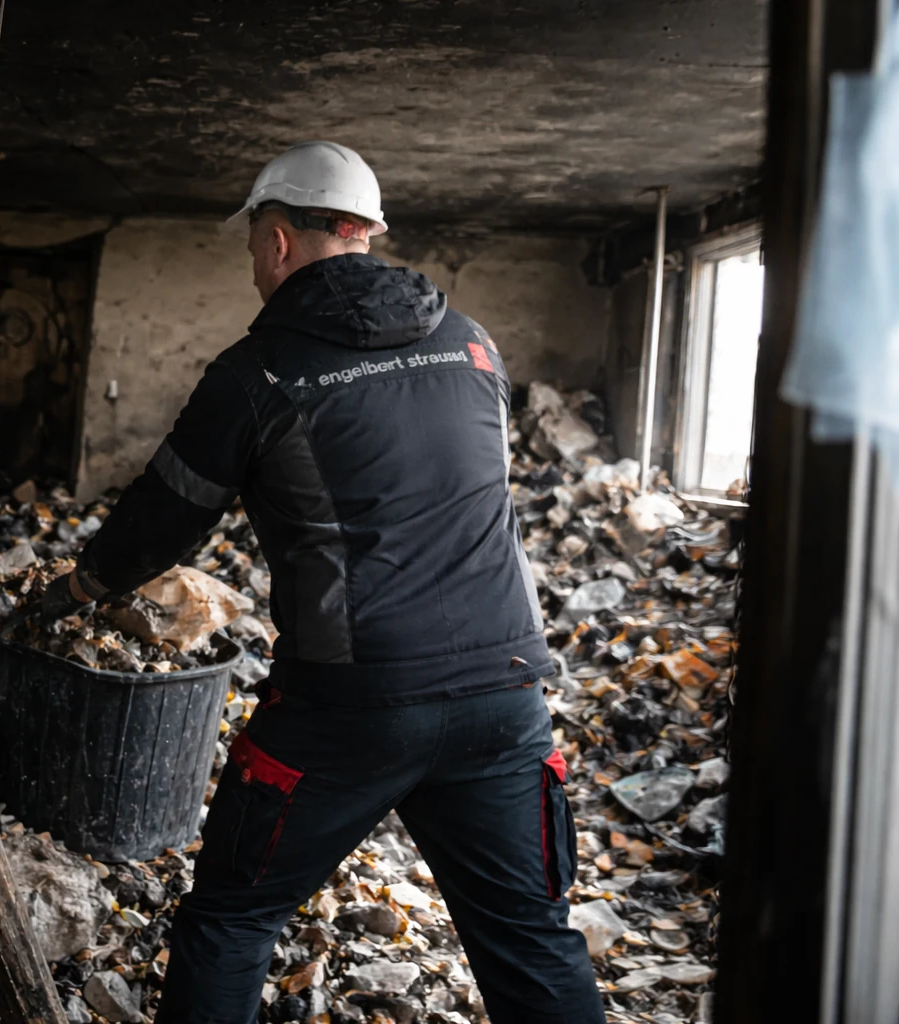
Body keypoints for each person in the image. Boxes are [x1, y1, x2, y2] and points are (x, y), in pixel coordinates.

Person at [30, 141, 604, 1024]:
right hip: (507, 697)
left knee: (232, 916)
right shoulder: (473, 344)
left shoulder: (256, 373)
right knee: (531, 937)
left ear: (278, 242)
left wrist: (73, 592)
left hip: (349, 705)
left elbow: (165, 516)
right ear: (365, 235)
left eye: (254, 243)